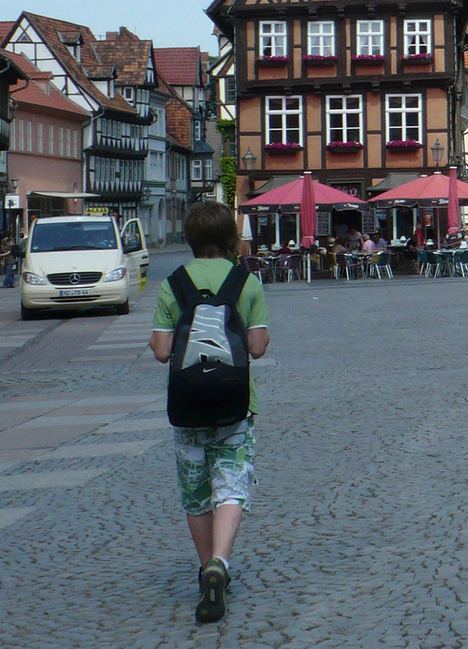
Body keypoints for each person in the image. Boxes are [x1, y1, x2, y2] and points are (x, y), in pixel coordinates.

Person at [147, 201, 270, 624]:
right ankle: (221, 561)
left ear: (191, 238)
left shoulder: (173, 284)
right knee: (231, 486)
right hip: (236, 404)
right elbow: (256, 347)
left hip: (186, 405)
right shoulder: (246, 282)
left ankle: (206, 572)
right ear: (230, 239)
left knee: (196, 494)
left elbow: (163, 351)